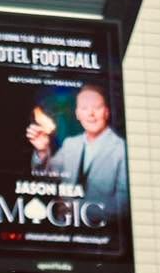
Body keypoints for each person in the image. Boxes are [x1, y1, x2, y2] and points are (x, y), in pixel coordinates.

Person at [27, 84, 129, 217]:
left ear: (106, 112)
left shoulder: (121, 149)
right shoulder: (70, 144)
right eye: (84, 108)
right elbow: (46, 178)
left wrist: (77, 207)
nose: (91, 114)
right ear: (77, 114)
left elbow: (124, 205)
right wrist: (42, 151)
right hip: (63, 231)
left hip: (101, 233)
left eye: (97, 108)